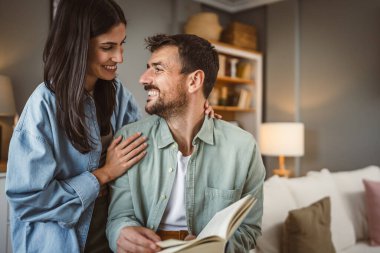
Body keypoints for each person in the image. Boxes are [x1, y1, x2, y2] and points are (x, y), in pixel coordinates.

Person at [106, 34, 266, 253]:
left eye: (158, 69)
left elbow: (248, 230)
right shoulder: (128, 139)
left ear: (194, 81)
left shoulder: (243, 147)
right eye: (148, 68)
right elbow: (118, 216)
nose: (143, 78)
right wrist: (122, 232)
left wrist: (215, 249)